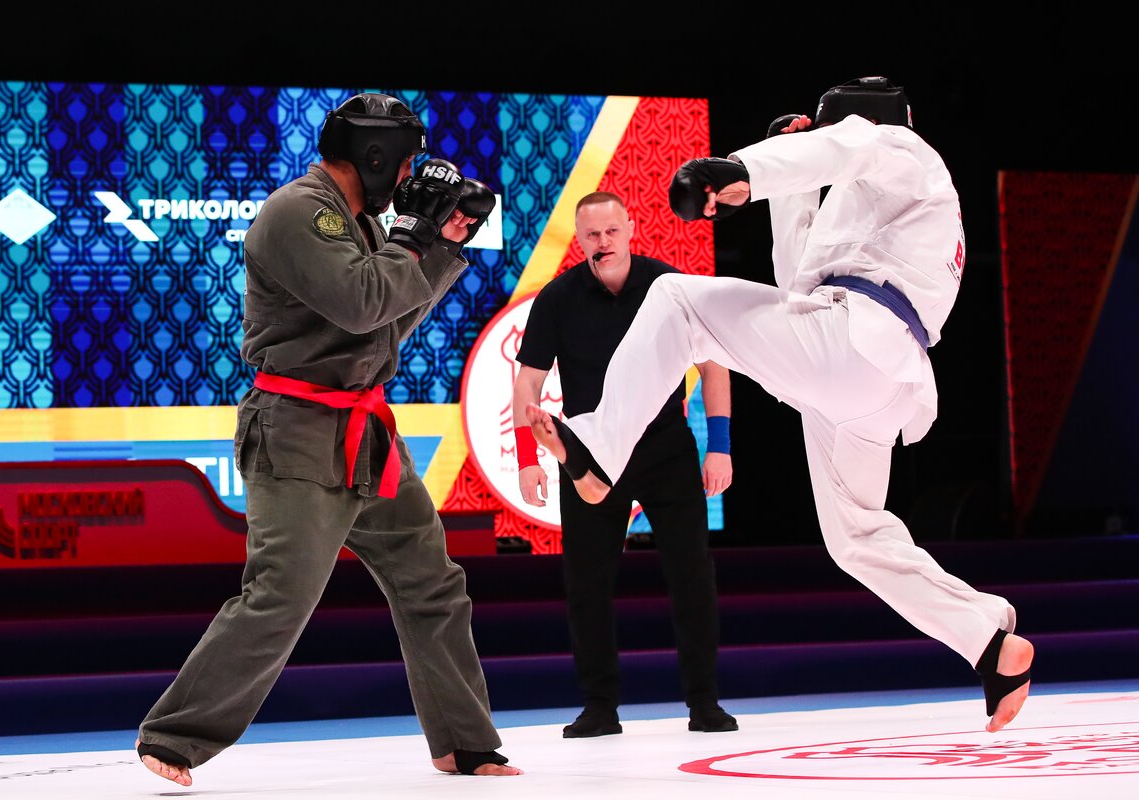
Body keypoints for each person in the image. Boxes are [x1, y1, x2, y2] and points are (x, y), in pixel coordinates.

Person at [526, 77, 1034, 734]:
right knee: (855, 538)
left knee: (677, 301)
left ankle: (598, 448)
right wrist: (785, 187)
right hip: (862, 374)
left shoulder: (902, 151)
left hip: (854, 343)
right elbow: (797, 284)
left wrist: (741, 171)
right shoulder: (879, 203)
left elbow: (847, 147)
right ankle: (988, 640)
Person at [136, 92, 522, 786]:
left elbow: (386, 323)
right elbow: (362, 301)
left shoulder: (361, 222)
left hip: (363, 428)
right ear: (375, 156)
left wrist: (442, 241)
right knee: (281, 592)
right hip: (299, 431)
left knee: (432, 581)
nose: (407, 179)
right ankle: (173, 735)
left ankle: (464, 743)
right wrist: (414, 235)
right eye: (403, 164)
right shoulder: (299, 211)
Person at [512, 191, 737, 737]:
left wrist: (721, 445)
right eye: (592, 234)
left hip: (665, 446)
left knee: (692, 575)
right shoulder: (558, 298)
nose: (603, 242)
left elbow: (714, 366)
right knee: (586, 582)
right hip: (590, 451)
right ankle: (599, 706)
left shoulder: (670, 287)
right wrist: (527, 458)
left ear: (630, 228)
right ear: (578, 239)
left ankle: (704, 702)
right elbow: (529, 381)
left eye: (611, 231)